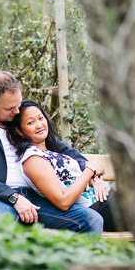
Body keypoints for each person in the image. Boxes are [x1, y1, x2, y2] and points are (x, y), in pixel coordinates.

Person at [0, 71, 104, 234]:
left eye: (18, 104)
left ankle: (73, 260)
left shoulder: (17, 121)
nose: (17, 111)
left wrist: (90, 170)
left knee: (91, 220)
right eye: (10, 108)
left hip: (37, 198)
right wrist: (13, 196)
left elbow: (61, 148)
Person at [6, 99, 120, 231]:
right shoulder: (32, 158)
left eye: (41, 118)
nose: (39, 125)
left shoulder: (51, 149)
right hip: (100, 207)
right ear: (19, 131)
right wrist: (90, 170)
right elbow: (63, 201)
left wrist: (94, 176)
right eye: (31, 122)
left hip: (110, 198)